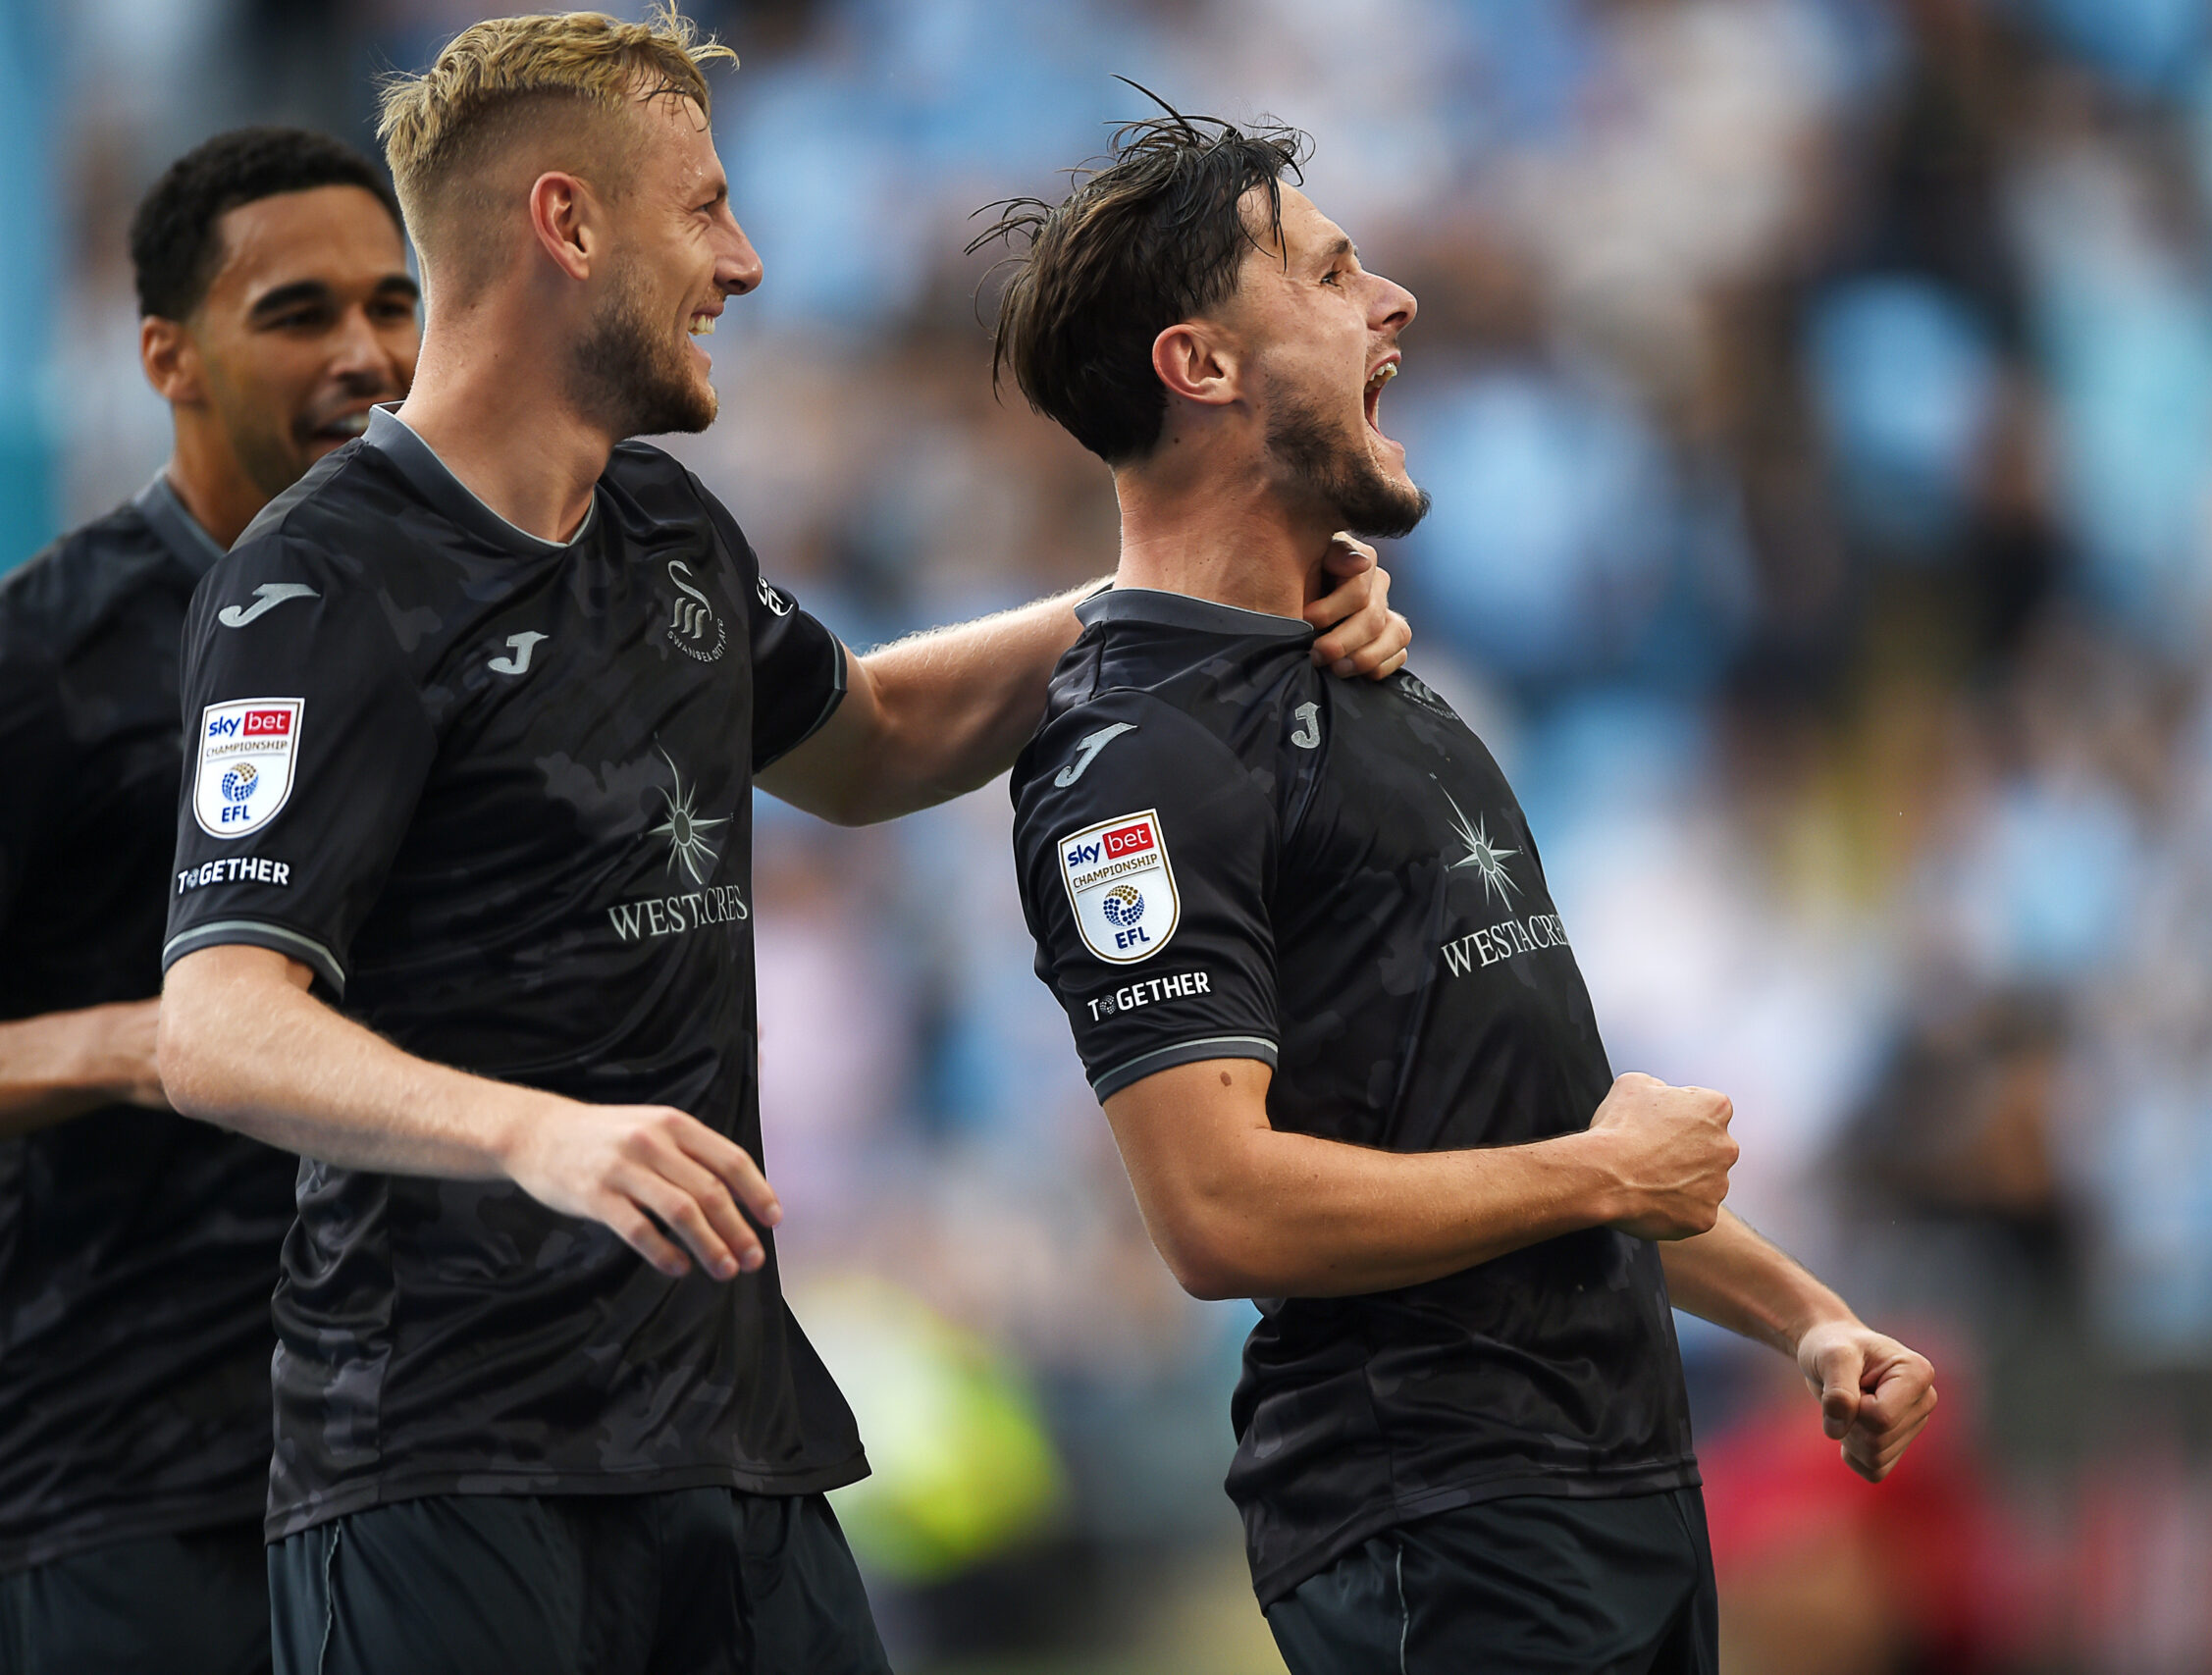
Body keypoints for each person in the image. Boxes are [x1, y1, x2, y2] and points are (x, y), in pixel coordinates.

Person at [151, 14, 1405, 1674]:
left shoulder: (665, 526)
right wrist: (538, 1135)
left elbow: (873, 741)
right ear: (567, 224)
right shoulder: (321, 586)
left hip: (727, 1444)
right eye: (705, 209)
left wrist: (1193, 600)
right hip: (444, 1464)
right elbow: (217, 1024)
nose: (742, 263)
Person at [986, 109, 1941, 1674]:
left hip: (1610, 1493)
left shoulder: (1378, 672)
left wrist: (1803, 1316)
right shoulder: (1133, 761)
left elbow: (1543, 1136)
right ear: (1201, 366)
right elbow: (1218, 1211)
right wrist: (1603, 1182)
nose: (1397, 300)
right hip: (1437, 1524)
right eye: (1331, 270)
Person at [0, 127, 417, 1674]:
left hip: (426, 1447)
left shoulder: (467, 604)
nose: (368, 355)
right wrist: (153, 1040)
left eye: (394, 304)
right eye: (300, 313)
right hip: (134, 1482)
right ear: (168, 356)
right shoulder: (47, 657)